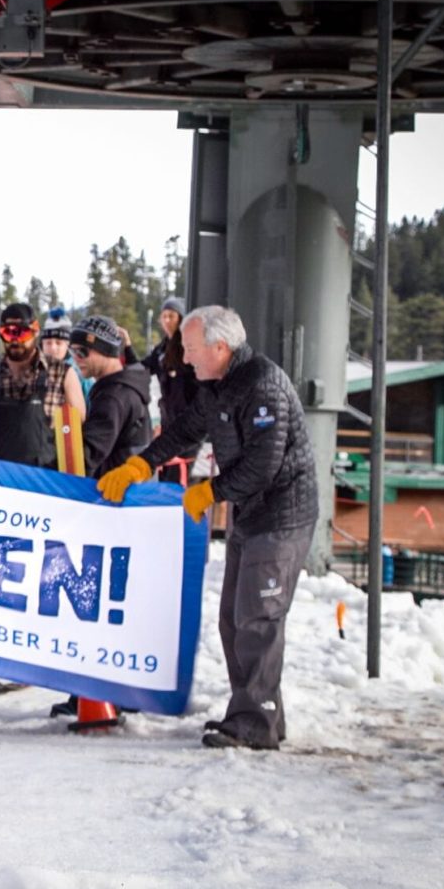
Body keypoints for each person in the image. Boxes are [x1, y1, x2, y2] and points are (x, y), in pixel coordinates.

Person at [98, 305, 317, 751]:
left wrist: (209, 491)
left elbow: (263, 464)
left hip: (280, 515)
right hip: (249, 514)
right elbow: (184, 432)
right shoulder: (217, 384)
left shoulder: (262, 384)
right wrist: (141, 464)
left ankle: (254, 723)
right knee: (234, 621)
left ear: (221, 347)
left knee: (258, 618)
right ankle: (259, 714)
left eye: (193, 349)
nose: (187, 357)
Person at [0, 302, 84, 467]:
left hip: (44, 480)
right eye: (8, 334)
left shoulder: (62, 374)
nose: (15, 341)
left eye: (22, 333)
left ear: (35, 331)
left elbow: (78, 429)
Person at [69, 316, 152, 476]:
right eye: (72, 351)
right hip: (132, 489)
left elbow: (84, 458)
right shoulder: (130, 383)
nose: (76, 359)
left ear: (105, 350)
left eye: (82, 352)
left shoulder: (113, 398)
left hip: (114, 493)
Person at [139, 297, 201, 477]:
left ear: (181, 318)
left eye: (171, 316)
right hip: (168, 420)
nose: (167, 321)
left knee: (179, 478)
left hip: (189, 423)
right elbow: (145, 367)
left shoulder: (188, 346)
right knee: (166, 475)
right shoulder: (162, 348)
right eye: (164, 316)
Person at [41, 306, 91, 399]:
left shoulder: (81, 373)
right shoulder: (35, 370)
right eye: (48, 343)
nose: (53, 348)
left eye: (58, 343)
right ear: (42, 344)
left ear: (68, 345)